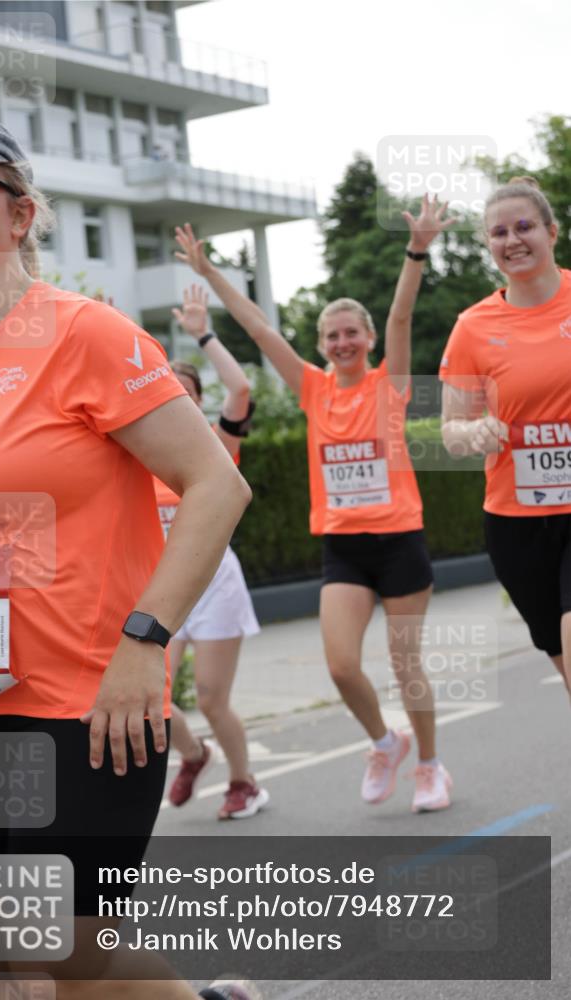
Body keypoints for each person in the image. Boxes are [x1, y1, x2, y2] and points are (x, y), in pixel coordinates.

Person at [0, 115, 258, 1000]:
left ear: (21, 214)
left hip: (90, 699)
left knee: (67, 954)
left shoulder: (84, 334)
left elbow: (217, 487)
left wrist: (146, 643)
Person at [174, 201, 455, 813]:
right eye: (332, 335)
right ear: (323, 346)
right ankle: (385, 743)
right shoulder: (312, 388)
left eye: (353, 332)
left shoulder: (390, 386)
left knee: (408, 668)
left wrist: (417, 251)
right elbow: (258, 329)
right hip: (344, 548)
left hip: (400, 540)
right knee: (340, 665)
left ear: (369, 340)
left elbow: (404, 315)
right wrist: (212, 273)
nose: (343, 341)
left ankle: (431, 766)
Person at [440, 176, 571, 692]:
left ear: (551, 231)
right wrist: (475, 433)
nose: (512, 240)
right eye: (499, 233)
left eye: (524, 227)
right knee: (561, 657)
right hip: (516, 522)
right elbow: (451, 431)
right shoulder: (473, 326)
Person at [155, 285, 268, 820]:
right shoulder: (135, 453)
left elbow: (241, 385)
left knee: (210, 698)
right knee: (153, 695)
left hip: (215, 580)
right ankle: (195, 754)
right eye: (162, 390)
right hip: (162, 584)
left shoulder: (214, 447)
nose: (173, 400)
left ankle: (244, 783)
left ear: (196, 400)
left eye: (183, 392)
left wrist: (203, 332)